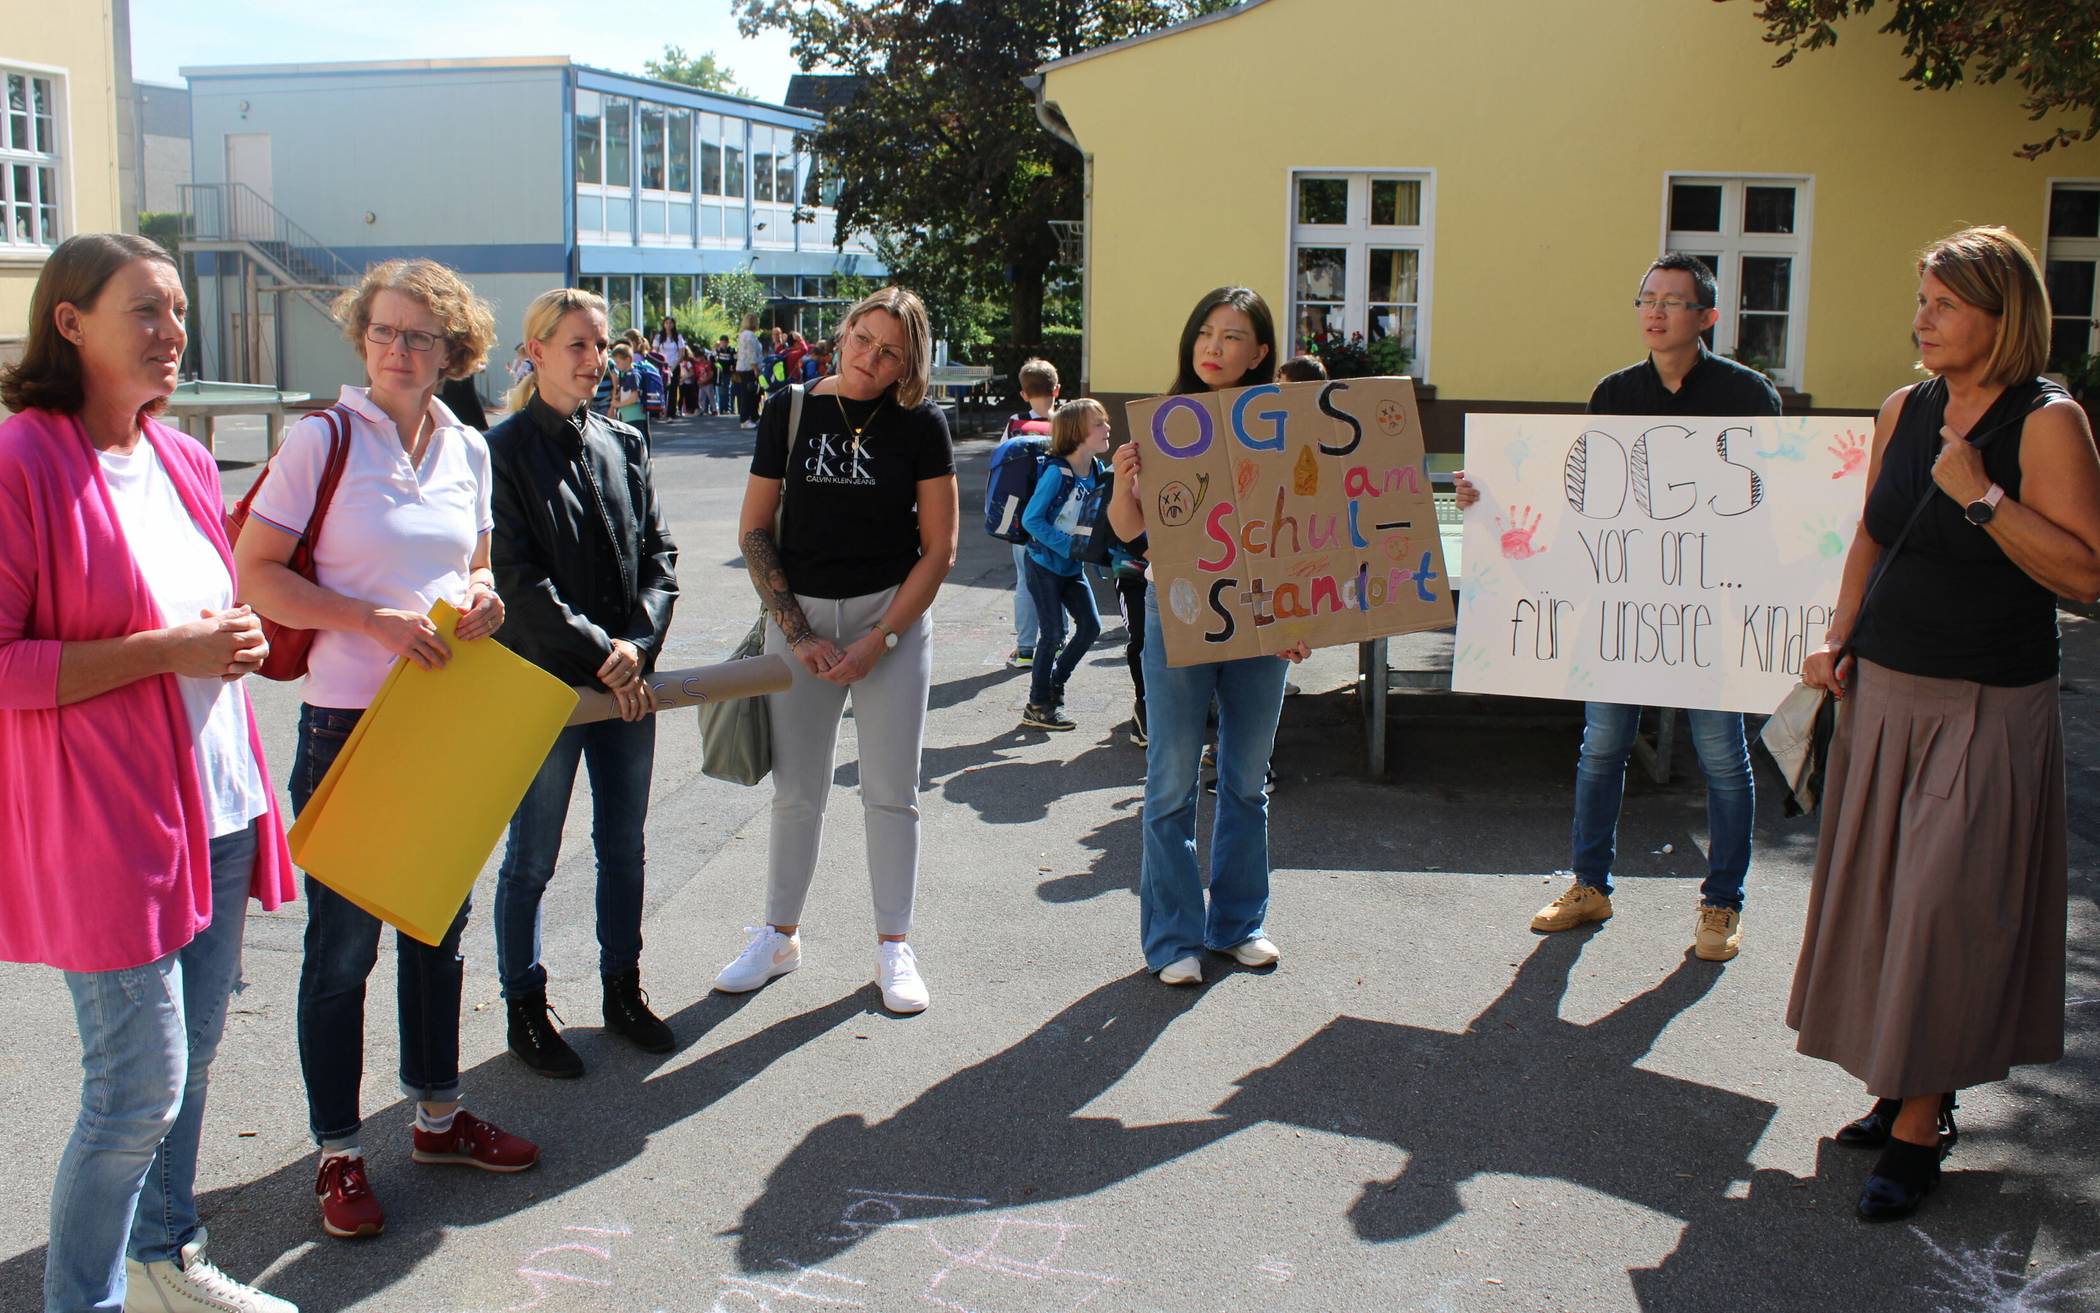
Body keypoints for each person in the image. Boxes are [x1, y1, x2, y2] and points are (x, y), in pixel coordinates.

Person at [0, 233, 298, 1313]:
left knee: (197, 1055)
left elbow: (208, 610)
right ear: (70, 322)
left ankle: (166, 1257)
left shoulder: (173, 455)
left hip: (215, 800)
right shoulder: (23, 460)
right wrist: (169, 652)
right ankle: (84, 1300)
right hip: (105, 822)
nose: (174, 332)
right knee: (137, 1089)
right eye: (147, 311)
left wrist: (241, 634)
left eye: (178, 311)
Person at [1789, 226, 2100, 1222]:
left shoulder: (2046, 422)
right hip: (1887, 689)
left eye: (1941, 304)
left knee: (1943, 908)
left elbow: (2087, 573)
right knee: (1885, 900)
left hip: (1986, 702)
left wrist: (1985, 500)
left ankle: (1922, 1119)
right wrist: (1837, 639)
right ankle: (1898, 1084)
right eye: (1920, 299)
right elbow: (1875, 532)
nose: (1920, 319)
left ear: (2001, 316)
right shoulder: (1905, 407)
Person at [233, 258, 538, 1242]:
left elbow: (476, 564)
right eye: (385, 332)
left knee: (436, 932)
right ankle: (337, 1150)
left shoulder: (467, 446)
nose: (401, 350)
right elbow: (260, 576)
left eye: (422, 336)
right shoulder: (322, 437)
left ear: (456, 350)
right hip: (346, 724)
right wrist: (368, 619)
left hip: (439, 724)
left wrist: (487, 596)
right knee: (342, 951)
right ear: (364, 340)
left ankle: (438, 1117)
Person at [1454, 252, 1777, 961]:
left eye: (1673, 300)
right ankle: (1590, 883)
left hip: (1708, 608)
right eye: (1646, 298)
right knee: (1602, 745)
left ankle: (1722, 902)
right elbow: (1581, 493)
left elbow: (1768, 501)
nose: (1656, 311)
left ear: (1708, 317)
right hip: (1623, 606)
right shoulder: (1613, 392)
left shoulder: (1751, 396)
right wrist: (1489, 500)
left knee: (1723, 754)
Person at [714, 288, 958, 1014]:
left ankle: (893, 945)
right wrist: (797, 631)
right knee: (797, 791)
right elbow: (756, 529)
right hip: (802, 620)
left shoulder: (921, 423)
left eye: (888, 352)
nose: (868, 358)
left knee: (891, 791)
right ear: (842, 331)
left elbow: (940, 549)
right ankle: (780, 934)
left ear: (906, 363)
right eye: (861, 338)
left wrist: (881, 639)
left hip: (893, 614)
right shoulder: (789, 409)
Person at [486, 287, 681, 1078]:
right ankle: (525, 1007)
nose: (596, 361)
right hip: (548, 690)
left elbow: (661, 559)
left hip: (625, 685)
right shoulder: (500, 452)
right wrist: (607, 652)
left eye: (602, 346)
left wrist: (639, 644)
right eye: (577, 345)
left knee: (623, 848)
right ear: (534, 352)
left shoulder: (623, 442)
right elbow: (516, 580)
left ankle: (621, 989)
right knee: (532, 855)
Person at [1104, 286, 1312, 987]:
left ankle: (1238, 925)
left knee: (1247, 782)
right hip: (1178, 609)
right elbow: (1131, 531)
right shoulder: (1162, 424)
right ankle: (1172, 940)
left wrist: (1299, 612)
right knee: (1170, 782)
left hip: (1265, 616)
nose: (1216, 347)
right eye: (1206, 333)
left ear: (1260, 352)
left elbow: (1307, 524)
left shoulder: (1287, 426)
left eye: (1233, 336)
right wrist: (1124, 482)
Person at [1018, 398, 1110, 731]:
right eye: (1099, 424)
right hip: (1043, 564)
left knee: (1090, 627)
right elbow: (1032, 519)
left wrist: (1101, 554)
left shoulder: (1097, 470)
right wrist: (1068, 546)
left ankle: (1055, 681)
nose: (1107, 428)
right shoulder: (1057, 473)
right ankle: (1038, 703)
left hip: (1072, 568)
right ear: (1078, 433)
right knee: (1053, 633)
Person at [1002, 358, 1059, 668]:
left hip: (1023, 519)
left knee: (1025, 581)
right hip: (1061, 518)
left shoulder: (1015, 423)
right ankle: (1060, 641)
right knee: (1062, 576)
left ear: (1024, 394)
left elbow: (1000, 468)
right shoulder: (1067, 422)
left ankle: (1025, 649)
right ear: (1057, 389)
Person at [652, 315, 688, 412]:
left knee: (673, 390)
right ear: (663, 324)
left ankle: (671, 412)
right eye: (666, 323)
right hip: (662, 366)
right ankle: (658, 412)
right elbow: (654, 351)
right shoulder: (659, 337)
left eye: (671, 323)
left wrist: (673, 367)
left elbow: (681, 353)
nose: (668, 325)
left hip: (674, 366)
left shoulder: (678, 337)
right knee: (660, 389)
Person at [736, 314, 763, 429]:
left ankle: (752, 417)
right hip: (749, 368)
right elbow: (751, 354)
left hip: (742, 367)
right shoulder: (751, 336)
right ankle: (745, 419)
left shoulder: (742, 335)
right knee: (749, 394)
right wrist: (756, 369)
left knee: (748, 394)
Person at [714, 334, 737, 415]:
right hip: (719, 374)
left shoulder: (732, 350)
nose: (723, 344)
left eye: (725, 342)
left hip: (728, 373)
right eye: (722, 342)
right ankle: (721, 409)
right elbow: (713, 361)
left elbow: (735, 360)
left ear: (728, 342)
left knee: (727, 390)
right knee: (720, 391)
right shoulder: (717, 351)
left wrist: (733, 367)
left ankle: (727, 409)